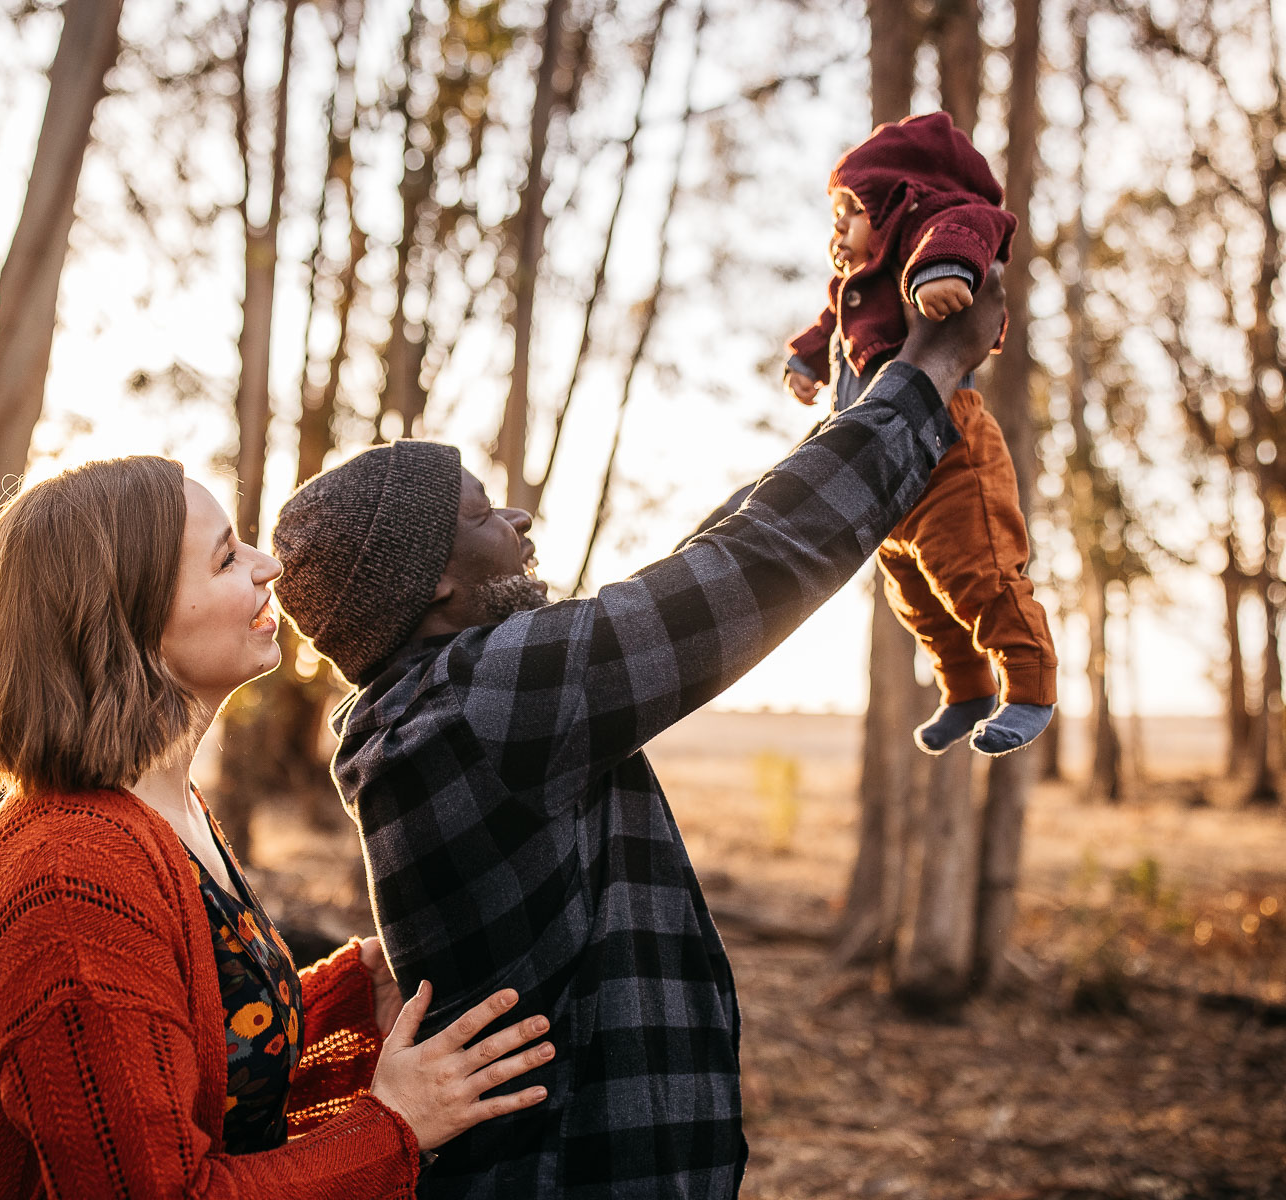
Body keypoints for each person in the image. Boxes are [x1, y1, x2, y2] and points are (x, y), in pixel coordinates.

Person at [266, 272, 1010, 1198]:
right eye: (479, 514)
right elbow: (746, 569)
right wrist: (933, 367)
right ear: (434, 588)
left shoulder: (439, 707)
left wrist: (862, 402)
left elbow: (711, 555)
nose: (516, 518)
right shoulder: (477, 705)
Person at [0, 455, 554, 1200]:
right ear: (128, 619)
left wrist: (358, 990)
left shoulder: (166, 813)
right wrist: (396, 1126)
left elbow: (195, 1062)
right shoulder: (72, 876)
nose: (269, 567)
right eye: (227, 557)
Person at [783, 110, 1057, 757]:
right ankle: (965, 688)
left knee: (977, 572)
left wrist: (943, 269)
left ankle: (1029, 685)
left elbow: (975, 224)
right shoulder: (854, 285)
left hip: (946, 448)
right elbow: (831, 320)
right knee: (917, 598)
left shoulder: (928, 228)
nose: (836, 233)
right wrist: (803, 359)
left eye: (848, 213)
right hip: (877, 466)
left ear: (892, 202)